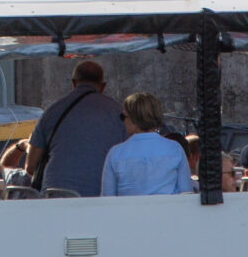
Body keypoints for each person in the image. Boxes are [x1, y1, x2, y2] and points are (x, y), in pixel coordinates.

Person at [26, 59, 126, 195]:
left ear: (73, 83)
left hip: (56, 195)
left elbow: (31, 166)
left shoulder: (53, 111)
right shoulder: (119, 113)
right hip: (99, 198)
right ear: (103, 86)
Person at [99, 92, 193, 196]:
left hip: (128, 211)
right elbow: (186, 194)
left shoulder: (115, 154)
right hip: (166, 211)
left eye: (123, 116)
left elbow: (107, 199)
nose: (123, 121)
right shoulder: (175, 149)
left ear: (132, 119)